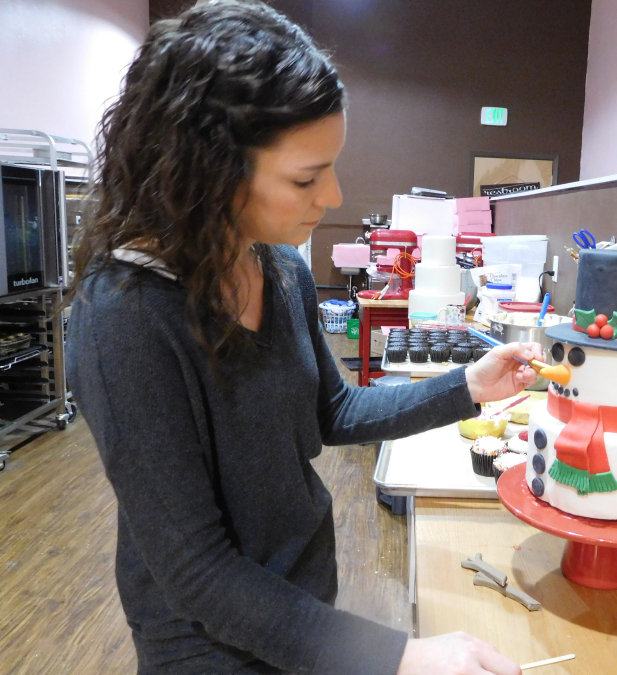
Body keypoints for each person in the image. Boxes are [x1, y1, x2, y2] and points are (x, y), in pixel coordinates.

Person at [67, 2, 538, 674]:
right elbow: (200, 575)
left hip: (303, 608)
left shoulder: (278, 266)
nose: (334, 196)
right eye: (306, 178)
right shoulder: (126, 318)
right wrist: (395, 655)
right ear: (208, 169)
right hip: (210, 648)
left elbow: (332, 412)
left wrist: (467, 386)